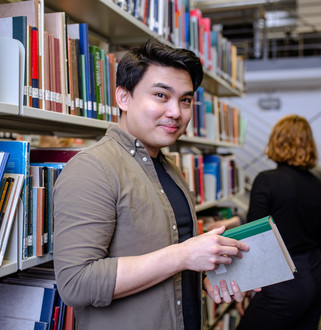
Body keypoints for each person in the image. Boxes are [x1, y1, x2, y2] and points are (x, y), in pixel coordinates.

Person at [53, 38, 250, 330]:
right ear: (123, 97)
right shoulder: (92, 168)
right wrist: (183, 255)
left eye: (185, 100)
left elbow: (165, 263)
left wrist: (207, 279)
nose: (176, 112)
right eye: (161, 95)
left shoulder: (171, 170)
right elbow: (76, 283)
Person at [236, 114, 321, 330]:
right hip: (318, 279)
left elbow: (254, 240)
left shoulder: (266, 180)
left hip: (283, 284)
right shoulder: (318, 184)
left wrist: (245, 286)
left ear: (276, 141)